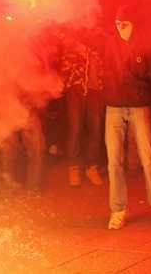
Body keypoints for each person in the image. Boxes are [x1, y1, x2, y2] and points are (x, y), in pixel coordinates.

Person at [103, 5, 151, 230]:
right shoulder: (109, 42)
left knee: (148, 158)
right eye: (117, 25)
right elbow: (83, 34)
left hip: (140, 106)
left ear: (133, 24)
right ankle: (118, 209)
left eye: (124, 24)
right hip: (114, 107)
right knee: (114, 161)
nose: (120, 28)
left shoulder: (146, 46)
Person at [59, 27, 105, 187]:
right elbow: (64, 70)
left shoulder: (100, 46)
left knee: (96, 129)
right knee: (76, 128)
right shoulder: (72, 45)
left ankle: (91, 167)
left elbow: (103, 69)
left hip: (95, 91)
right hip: (76, 91)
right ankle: (74, 167)